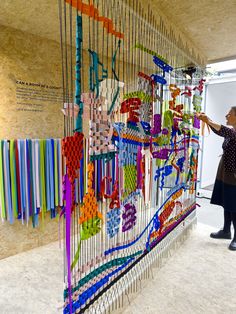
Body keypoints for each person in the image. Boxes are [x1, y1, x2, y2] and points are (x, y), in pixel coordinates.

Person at [197, 107, 236, 251]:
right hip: (225, 171)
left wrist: (209, 120)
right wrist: (207, 122)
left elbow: (225, 131)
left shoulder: (233, 131)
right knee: (227, 202)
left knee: (234, 205)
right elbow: (220, 131)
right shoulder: (231, 130)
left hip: (233, 174)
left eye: (230, 114)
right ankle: (226, 231)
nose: (226, 115)